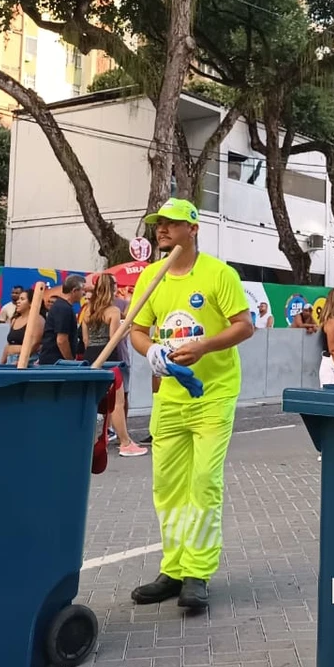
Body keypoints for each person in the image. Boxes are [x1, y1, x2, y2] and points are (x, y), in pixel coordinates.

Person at [128, 199, 254, 610]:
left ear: (193, 228)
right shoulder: (152, 275)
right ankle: (173, 569)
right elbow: (138, 331)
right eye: (158, 224)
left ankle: (197, 574)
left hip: (213, 394)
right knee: (168, 486)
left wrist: (203, 347)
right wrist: (153, 355)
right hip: (169, 398)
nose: (161, 229)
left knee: (203, 482)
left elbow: (243, 326)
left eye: (171, 223)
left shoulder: (219, 274)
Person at [80, 273, 146, 457]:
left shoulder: (88, 310)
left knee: (93, 401)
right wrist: (129, 330)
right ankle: (125, 442)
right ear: (111, 289)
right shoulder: (113, 311)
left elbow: (85, 339)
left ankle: (91, 439)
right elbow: (114, 339)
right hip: (110, 357)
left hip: (90, 356)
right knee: (117, 402)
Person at [39, 276, 85, 366]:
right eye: (82, 290)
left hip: (52, 360)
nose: (84, 293)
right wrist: (70, 362)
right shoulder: (63, 308)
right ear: (74, 291)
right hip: (56, 362)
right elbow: (61, 340)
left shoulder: (61, 306)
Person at [0, 287, 43, 364]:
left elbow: (35, 343)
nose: (18, 302)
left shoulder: (37, 319)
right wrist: (2, 363)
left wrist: (21, 360)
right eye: (18, 299)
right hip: (11, 359)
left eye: (22, 299)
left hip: (27, 360)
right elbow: (9, 344)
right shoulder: (14, 320)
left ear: (30, 303)